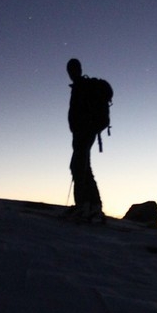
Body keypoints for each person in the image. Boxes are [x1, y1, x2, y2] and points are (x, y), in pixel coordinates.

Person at [66, 57, 104, 222]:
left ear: (78, 70)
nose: (71, 73)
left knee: (78, 167)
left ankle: (85, 206)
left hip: (84, 133)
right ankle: (92, 206)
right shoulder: (81, 87)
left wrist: (81, 129)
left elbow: (80, 113)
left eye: (73, 69)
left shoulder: (82, 87)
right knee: (83, 167)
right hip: (84, 133)